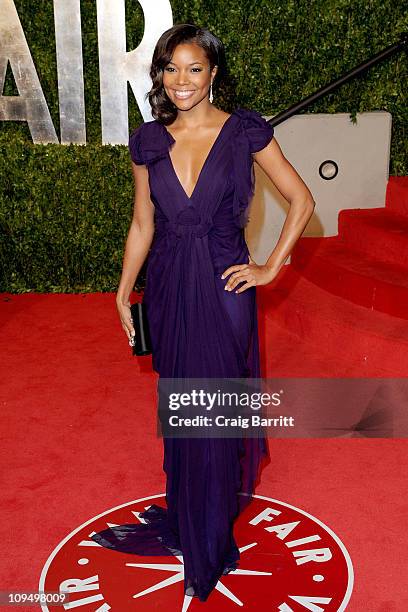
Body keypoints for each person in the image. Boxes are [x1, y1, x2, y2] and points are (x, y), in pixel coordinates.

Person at [91, 23, 315, 603]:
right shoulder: (146, 140)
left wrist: (270, 267)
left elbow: (302, 198)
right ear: (160, 75)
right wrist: (123, 290)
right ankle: (190, 515)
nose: (181, 80)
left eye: (193, 68)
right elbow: (144, 222)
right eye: (170, 68)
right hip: (167, 287)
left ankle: (209, 536)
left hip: (223, 288)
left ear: (213, 73)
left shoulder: (245, 132)